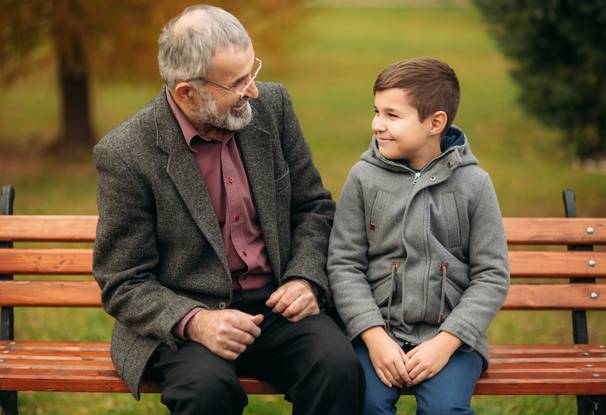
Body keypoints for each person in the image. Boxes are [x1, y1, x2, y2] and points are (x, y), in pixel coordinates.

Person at [93, 5, 364, 415]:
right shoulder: (127, 154)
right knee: (206, 393)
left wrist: (306, 278)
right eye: (238, 84)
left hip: (276, 305)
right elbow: (123, 280)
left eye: (251, 72)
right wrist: (196, 321)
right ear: (187, 92)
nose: (253, 90)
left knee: (338, 367)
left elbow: (313, 208)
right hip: (186, 319)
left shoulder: (272, 107)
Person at [327, 58, 510, 415]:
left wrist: (447, 342)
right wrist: (373, 336)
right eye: (376, 111)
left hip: (451, 340)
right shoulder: (363, 178)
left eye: (392, 116)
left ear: (435, 123)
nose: (377, 124)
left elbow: (492, 275)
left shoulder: (474, 185)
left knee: (445, 410)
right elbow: (344, 264)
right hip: (376, 335)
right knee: (365, 403)